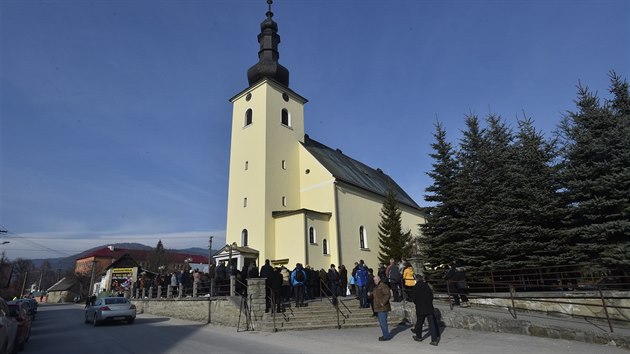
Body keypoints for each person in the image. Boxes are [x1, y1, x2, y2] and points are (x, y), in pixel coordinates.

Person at [411, 274, 440, 346]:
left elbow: (413, 298)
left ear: (416, 279)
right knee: (431, 324)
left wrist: (417, 303)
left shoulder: (416, 287)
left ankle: (419, 337)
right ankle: (434, 340)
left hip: (420, 308)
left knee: (419, 322)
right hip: (429, 307)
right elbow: (431, 296)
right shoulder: (426, 286)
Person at [372, 275, 392, 341]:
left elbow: (388, 294)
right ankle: (385, 335)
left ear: (379, 279)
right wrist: (370, 294)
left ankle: (386, 336)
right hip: (379, 307)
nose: (375, 281)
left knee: (383, 322)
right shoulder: (377, 286)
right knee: (382, 323)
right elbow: (376, 294)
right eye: (374, 280)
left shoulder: (383, 285)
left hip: (382, 307)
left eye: (376, 280)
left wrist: (383, 302)